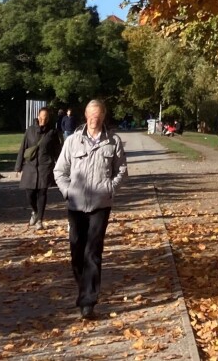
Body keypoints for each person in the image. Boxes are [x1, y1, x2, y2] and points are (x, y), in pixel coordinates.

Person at [54, 98, 128, 320]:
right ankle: (83, 288)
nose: (94, 119)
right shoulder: (73, 141)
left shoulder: (113, 141)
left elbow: (121, 170)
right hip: (75, 204)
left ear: (103, 116)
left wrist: (110, 189)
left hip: (100, 204)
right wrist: (68, 191)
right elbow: (60, 171)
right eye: (91, 115)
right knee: (77, 249)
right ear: (86, 116)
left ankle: (88, 301)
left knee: (93, 252)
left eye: (98, 115)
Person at [15, 107, 64, 228]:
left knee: (42, 193)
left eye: (46, 117)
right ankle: (35, 211)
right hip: (30, 166)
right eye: (42, 117)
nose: (43, 119)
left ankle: (40, 220)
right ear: (38, 116)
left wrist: (62, 166)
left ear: (49, 118)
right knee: (30, 193)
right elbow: (23, 148)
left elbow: (57, 151)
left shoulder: (52, 132)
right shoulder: (30, 131)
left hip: (45, 166)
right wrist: (18, 167)